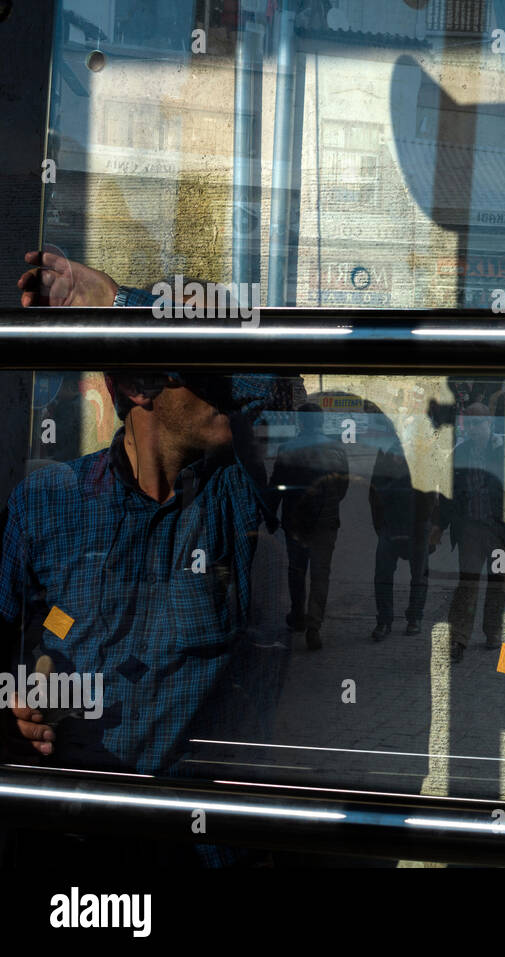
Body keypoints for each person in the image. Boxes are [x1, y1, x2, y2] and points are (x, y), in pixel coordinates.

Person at [3, 250, 282, 866]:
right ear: (136, 387)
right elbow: (13, 644)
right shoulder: (47, 504)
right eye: (204, 369)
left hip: (196, 841)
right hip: (69, 840)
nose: (227, 388)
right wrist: (21, 701)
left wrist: (123, 305)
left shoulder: (235, 494)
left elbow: (276, 381)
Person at [268, 403, 350, 650]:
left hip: (295, 521)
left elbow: (277, 488)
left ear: (301, 423)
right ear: (322, 422)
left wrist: (270, 515)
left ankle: (297, 616)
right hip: (325, 522)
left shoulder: (286, 449)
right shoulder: (336, 449)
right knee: (320, 574)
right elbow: (342, 487)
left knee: (296, 570)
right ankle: (314, 625)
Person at [444, 403, 505, 663]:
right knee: (467, 583)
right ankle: (458, 638)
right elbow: (449, 493)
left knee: (498, 584)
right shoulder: (461, 452)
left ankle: (493, 631)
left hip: (499, 532)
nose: (474, 429)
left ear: (490, 425)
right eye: (470, 425)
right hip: (471, 530)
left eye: (479, 424)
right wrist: (437, 527)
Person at [368, 433, 432, 641]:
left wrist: (428, 526)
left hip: (417, 525)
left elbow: (432, 491)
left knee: (419, 576)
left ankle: (414, 618)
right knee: (383, 576)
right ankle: (384, 620)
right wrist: (380, 524)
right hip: (390, 524)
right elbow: (374, 489)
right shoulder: (386, 453)